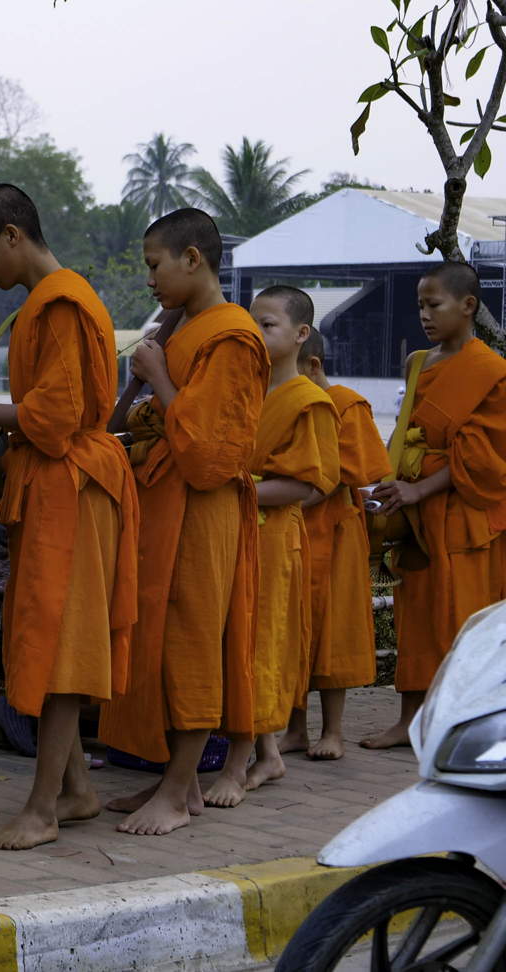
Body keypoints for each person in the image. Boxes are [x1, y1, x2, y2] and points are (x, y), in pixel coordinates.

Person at [0, 183, 138, 850]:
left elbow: (56, 419)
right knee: (53, 633)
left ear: (12, 236)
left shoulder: (61, 304)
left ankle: (42, 809)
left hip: (71, 486)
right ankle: (78, 789)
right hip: (58, 483)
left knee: (59, 645)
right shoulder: (50, 303)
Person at [97, 208, 269, 836]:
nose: (149, 280)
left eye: (154, 265)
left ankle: (174, 793)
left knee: (192, 639)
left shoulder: (232, 336)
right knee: (160, 639)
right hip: (163, 501)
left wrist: (159, 375)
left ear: (192, 258)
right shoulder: (188, 326)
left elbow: (210, 454)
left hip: (203, 507)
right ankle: (182, 780)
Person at [203, 287, 338, 807]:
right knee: (233, 642)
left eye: (269, 325)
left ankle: (238, 766)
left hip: (272, 537)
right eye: (252, 324)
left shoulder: (310, 402)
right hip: (232, 530)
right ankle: (269, 754)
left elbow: (311, 486)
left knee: (258, 646)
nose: (257, 335)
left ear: (301, 335)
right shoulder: (246, 391)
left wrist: (236, 491)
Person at [366, 262, 506, 749]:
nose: (424, 315)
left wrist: (419, 488)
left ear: (468, 306)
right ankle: (409, 720)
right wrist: (390, 480)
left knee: (462, 619)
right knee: (415, 616)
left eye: (434, 305)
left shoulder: (489, 371)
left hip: (462, 514)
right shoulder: (418, 362)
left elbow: (483, 457)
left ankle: (460, 726)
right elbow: (407, 433)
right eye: (420, 306)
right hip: (415, 515)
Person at [281, 327, 390, 759]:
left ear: (313, 365)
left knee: (334, 631)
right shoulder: (290, 403)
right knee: (291, 628)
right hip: (295, 526)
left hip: (337, 529)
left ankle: (333, 730)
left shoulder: (347, 404)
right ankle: (293, 729)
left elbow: (344, 471)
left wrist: (295, 493)